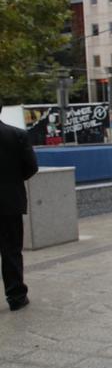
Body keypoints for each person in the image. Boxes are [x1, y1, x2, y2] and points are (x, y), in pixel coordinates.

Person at [0, 102, 39, 311]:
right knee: (11, 250)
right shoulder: (17, 136)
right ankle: (16, 296)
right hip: (10, 202)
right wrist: (14, 181)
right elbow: (31, 166)